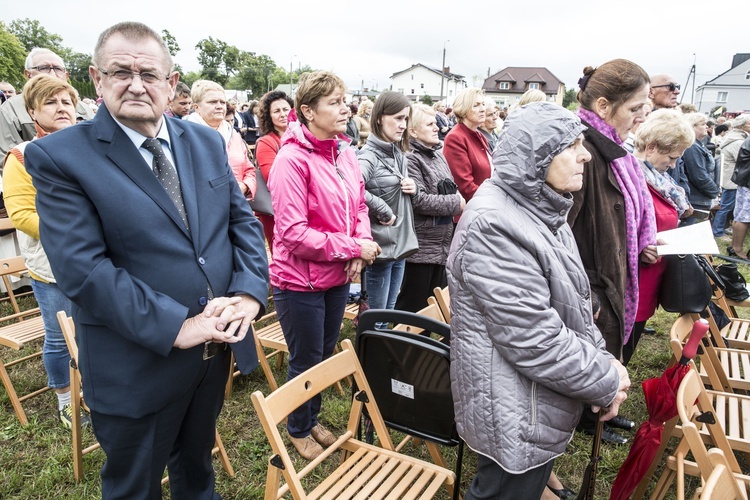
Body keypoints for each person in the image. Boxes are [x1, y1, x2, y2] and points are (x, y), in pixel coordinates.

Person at [24, 22, 269, 498]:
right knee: (135, 487)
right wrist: (179, 326)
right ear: (96, 80)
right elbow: (83, 269)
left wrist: (247, 293)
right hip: (135, 364)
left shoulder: (205, 141)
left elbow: (239, 224)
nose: (136, 84)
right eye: (120, 72)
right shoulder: (58, 157)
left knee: (197, 471)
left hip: (212, 353)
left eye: (149, 74)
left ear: (171, 83)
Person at [448, 102, 629, 500]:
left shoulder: (544, 207)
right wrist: (604, 379)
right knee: (505, 491)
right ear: (537, 156)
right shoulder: (494, 224)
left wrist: (604, 360)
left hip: (535, 394)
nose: (585, 154)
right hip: (511, 403)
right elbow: (533, 338)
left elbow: (575, 305)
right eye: (572, 145)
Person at [269, 70, 378, 460]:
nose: (344, 107)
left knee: (324, 352)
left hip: (334, 273)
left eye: (344, 99)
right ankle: (297, 428)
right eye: (334, 101)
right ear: (308, 111)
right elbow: (294, 234)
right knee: (304, 358)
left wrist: (358, 246)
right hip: (299, 280)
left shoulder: (345, 153)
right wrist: (353, 247)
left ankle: (309, 417)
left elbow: (360, 206)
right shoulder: (291, 160)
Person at [568, 59, 656, 444]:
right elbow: (563, 230)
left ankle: (598, 412)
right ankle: (586, 419)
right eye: (635, 108)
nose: (641, 117)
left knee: (603, 349)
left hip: (609, 269)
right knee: (590, 352)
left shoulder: (613, 148)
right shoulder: (583, 150)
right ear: (604, 106)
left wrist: (639, 245)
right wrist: (585, 286)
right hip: (593, 277)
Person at [1, 75, 88, 429]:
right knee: (59, 334)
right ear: (32, 111)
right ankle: (66, 400)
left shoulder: (89, 148)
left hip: (96, 258)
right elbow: (21, 215)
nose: (62, 108)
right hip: (53, 263)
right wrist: (75, 232)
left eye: (66, 101)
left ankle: (95, 388)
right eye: (51, 102)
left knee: (92, 328)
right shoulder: (22, 156)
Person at [627, 109, 695, 365]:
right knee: (617, 352)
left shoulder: (657, 179)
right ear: (652, 147)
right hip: (633, 282)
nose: (674, 164)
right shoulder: (632, 177)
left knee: (628, 347)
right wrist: (642, 246)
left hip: (650, 278)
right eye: (671, 156)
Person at [394, 103, 463, 313]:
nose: (437, 127)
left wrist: (455, 199)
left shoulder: (437, 155)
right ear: (413, 131)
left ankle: (423, 347)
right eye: (430, 123)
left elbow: (451, 188)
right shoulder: (410, 158)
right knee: (413, 311)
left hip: (441, 244)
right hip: (420, 248)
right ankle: (401, 347)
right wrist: (456, 203)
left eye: (436, 122)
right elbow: (419, 200)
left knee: (433, 310)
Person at [359, 91, 417, 325]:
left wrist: (414, 187)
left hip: (400, 243)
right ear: (380, 117)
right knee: (377, 318)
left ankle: (382, 358)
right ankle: (369, 360)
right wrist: (382, 208)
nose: (403, 125)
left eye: (406, 119)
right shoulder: (368, 156)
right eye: (398, 118)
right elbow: (352, 189)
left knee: (389, 311)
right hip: (381, 247)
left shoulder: (397, 152)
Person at [0, 48, 95, 155]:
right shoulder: (10, 109)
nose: (52, 74)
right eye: (44, 68)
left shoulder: (85, 109)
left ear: (66, 75)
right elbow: (4, 157)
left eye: (58, 68)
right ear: (28, 74)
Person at [187, 79, 257, 200]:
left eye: (222, 102)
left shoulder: (233, 133)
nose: (219, 106)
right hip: (203, 207)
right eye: (213, 102)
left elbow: (249, 169)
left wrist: (244, 186)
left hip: (236, 205)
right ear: (196, 107)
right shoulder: (184, 135)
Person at [255, 90, 293, 246]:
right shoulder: (267, 142)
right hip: (278, 210)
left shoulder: (303, 136)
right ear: (268, 116)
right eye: (276, 111)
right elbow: (272, 178)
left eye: (286, 109)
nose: (283, 114)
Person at [443, 87, 491, 202]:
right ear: (463, 110)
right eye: (476, 105)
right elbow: (465, 186)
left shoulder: (479, 135)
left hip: (485, 204)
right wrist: (492, 201)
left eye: (483, 104)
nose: (482, 109)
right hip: (473, 209)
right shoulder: (455, 137)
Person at [714, 116, 749, 239]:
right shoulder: (738, 142)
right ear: (741, 126)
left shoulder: (733, 137)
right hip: (732, 179)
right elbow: (742, 160)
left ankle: (723, 227)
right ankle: (717, 231)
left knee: (729, 206)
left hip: (730, 177)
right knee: (726, 207)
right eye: (749, 124)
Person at [681, 112, 719, 225]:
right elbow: (699, 175)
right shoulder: (692, 146)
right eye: (703, 124)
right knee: (690, 232)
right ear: (692, 126)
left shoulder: (698, 144)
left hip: (699, 197)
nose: (707, 126)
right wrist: (715, 192)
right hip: (695, 198)